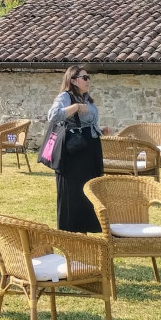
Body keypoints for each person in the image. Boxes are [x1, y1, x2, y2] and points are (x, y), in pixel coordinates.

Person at [46, 65, 110, 233]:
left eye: (88, 77)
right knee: (73, 192)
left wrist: (99, 129)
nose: (88, 81)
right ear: (73, 80)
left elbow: (86, 123)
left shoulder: (87, 98)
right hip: (74, 154)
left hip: (90, 150)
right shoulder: (66, 96)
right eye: (84, 78)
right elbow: (52, 115)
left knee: (89, 190)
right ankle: (72, 232)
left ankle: (85, 230)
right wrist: (74, 107)